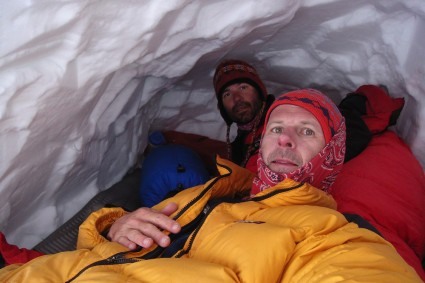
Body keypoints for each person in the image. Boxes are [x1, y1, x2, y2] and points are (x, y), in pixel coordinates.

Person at [1, 89, 420, 282]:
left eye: (307, 132)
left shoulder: (332, 235)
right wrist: (113, 223)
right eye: (278, 127)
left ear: (331, 155)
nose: (286, 138)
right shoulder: (223, 185)